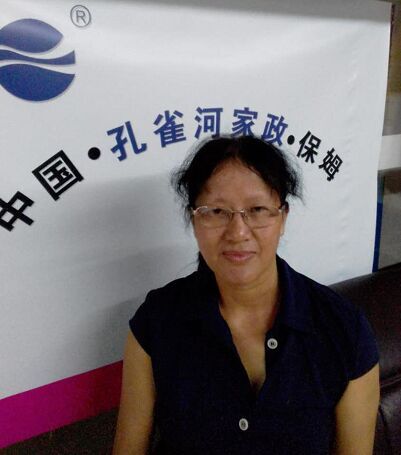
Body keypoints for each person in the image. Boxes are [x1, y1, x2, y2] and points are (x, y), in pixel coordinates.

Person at [113, 136, 380, 455]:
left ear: (282, 217)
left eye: (257, 210)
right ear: (194, 219)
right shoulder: (156, 321)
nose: (238, 232)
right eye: (216, 211)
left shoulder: (345, 331)